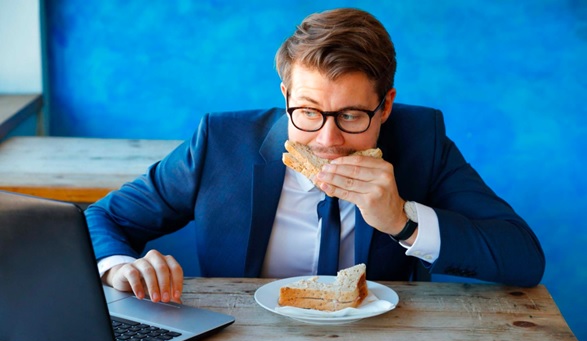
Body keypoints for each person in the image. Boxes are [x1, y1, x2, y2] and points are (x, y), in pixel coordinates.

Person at [85, 8, 545, 304]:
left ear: (385, 105)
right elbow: (101, 219)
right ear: (285, 96)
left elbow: (523, 258)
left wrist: (403, 220)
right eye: (307, 112)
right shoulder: (220, 142)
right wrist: (120, 266)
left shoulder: (423, 141)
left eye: (350, 116)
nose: (327, 140)